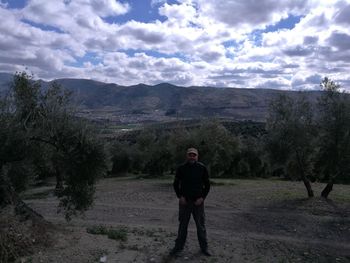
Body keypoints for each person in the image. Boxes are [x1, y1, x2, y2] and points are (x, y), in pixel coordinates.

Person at [170, 147, 211, 256]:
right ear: (187, 156)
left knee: (201, 226)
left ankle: (204, 248)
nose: (192, 157)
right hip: (185, 202)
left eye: (194, 155)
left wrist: (202, 198)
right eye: (190, 155)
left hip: (198, 202)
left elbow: (207, 185)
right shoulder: (181, 168)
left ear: (197, 156)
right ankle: (178, 247)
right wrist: (180, 197)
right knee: (182, 226)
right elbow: (175, 184)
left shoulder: (202, 168)